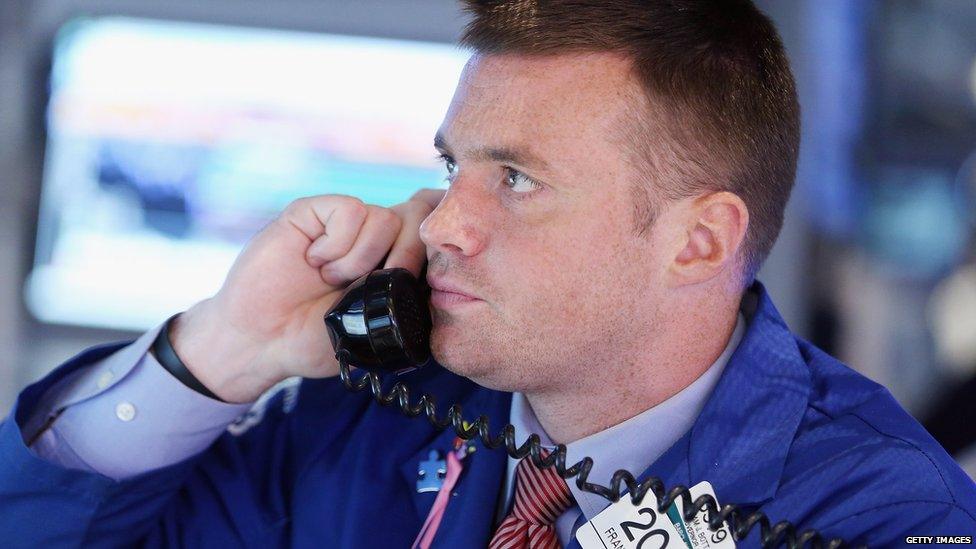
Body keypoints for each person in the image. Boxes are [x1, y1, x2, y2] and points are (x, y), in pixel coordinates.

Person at [2, 1, 975, 547]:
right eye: (448, 168)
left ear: (697, 242)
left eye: (515, 179)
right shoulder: (359, 417)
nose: (444, 226)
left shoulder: (879, 515)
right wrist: (223, 348)